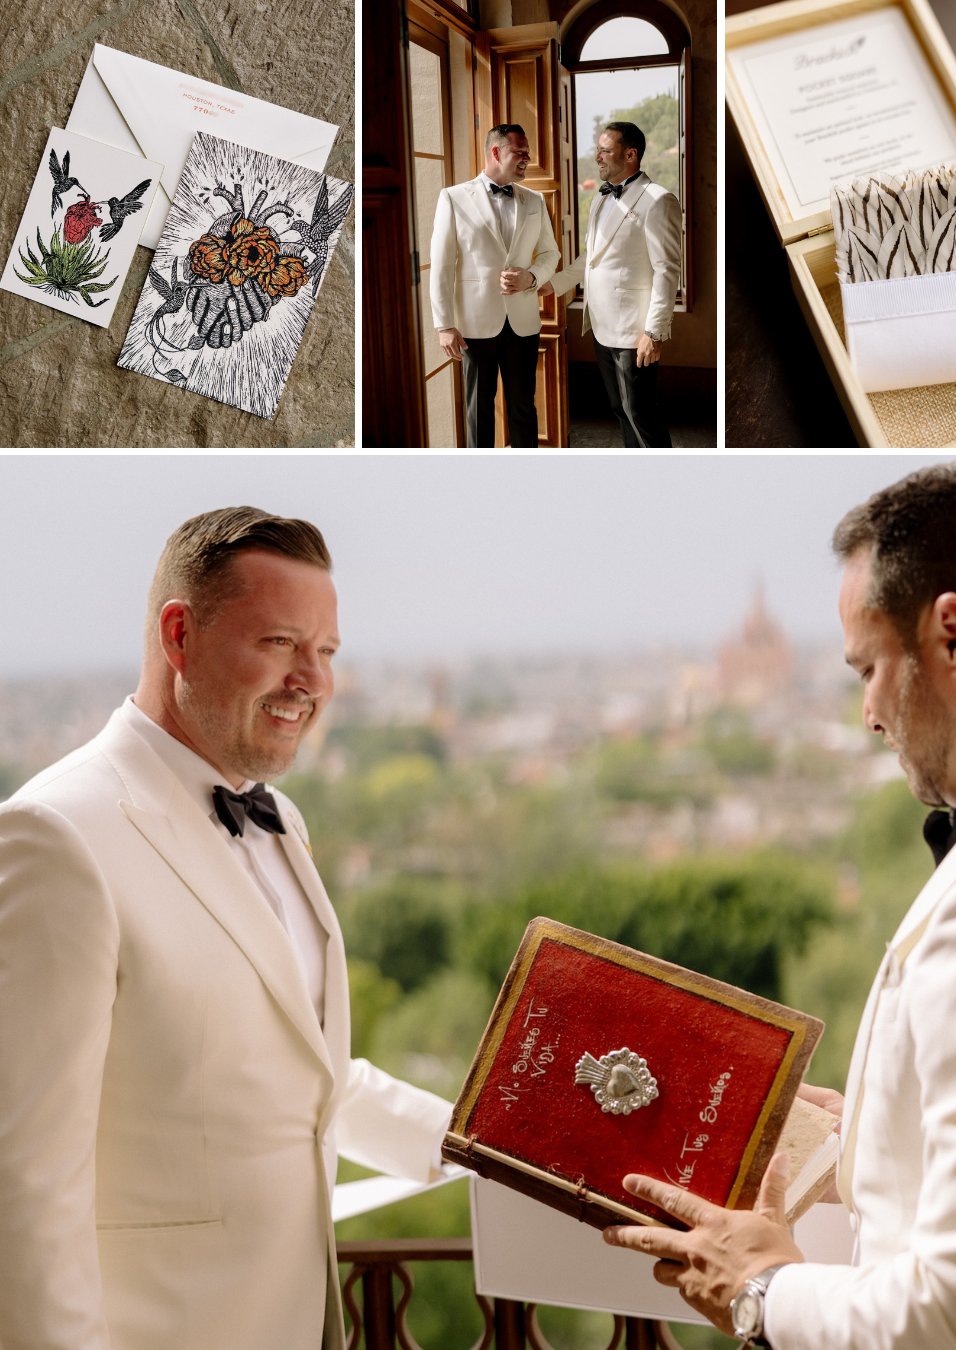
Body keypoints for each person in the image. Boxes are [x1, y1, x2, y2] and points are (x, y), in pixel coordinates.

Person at [604, 460, 956, 1349]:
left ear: (952, 638)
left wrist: (759, 1290)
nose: (868, 713)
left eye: (869, 668)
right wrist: (870, 1118)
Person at [0, 508, 453, 1350]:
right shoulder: (58, 837)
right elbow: (22, 1183)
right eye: (280, 643)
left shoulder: (282, 819)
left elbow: (303, 1078)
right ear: (179, 635)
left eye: (326, 652)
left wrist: (487, 1148)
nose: (311, 681)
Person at [540, 122, 680, 448]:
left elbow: (666, 270)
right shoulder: (602, 197)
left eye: (605, 150)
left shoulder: (658, 200)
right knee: (621, 409)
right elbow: (590, 256)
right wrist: (554, 284)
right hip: (602, 326)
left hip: (635, 331)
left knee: (640, 412)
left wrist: (654, 332)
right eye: (597, 149)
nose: (597, 157)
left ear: (630, 154)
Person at [429, 123, 560, 447]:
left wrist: (531, 277)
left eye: (527, 153)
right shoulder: (454, 198)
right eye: (520, 152)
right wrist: (444, 324)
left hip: (523, 322)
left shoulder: (535, 201)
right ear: (496, 152)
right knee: (479, 410)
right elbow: (442, 265)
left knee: (523, 409)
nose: (526, 159)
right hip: (474, 324)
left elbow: (550, 253)